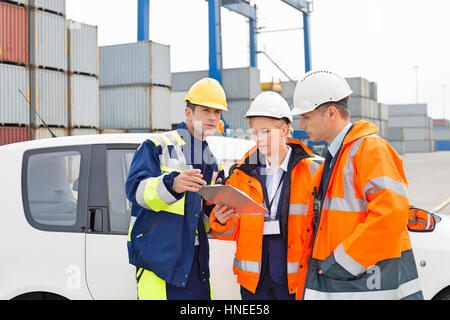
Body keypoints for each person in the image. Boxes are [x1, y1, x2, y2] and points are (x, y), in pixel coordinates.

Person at [291, 70, 423, 300]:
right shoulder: (333, 160)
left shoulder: (370, 150)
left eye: (307, 117)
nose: (301, 124)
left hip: (364, 285)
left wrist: (341, 263)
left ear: (331, 113)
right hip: (345, 283)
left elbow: (391, 214)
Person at [210, 91, 318, 300]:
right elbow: (229, 231)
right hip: (254, 280)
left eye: (266, 132)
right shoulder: (242, 173)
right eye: (255, 132)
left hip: (294, 278)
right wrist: (221, 221)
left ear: (285, 130)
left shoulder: (311, 173)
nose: (259, 139)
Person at [125, 78, 226, 300]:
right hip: (159, 262)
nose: (213, 117)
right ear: (188, 113)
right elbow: (135, 190)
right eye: (206, 110)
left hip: (195, 262)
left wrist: (215, 212)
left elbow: (201, 218)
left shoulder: (213, 162)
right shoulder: (157, 146)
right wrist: (172, 185)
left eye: (217, 112)